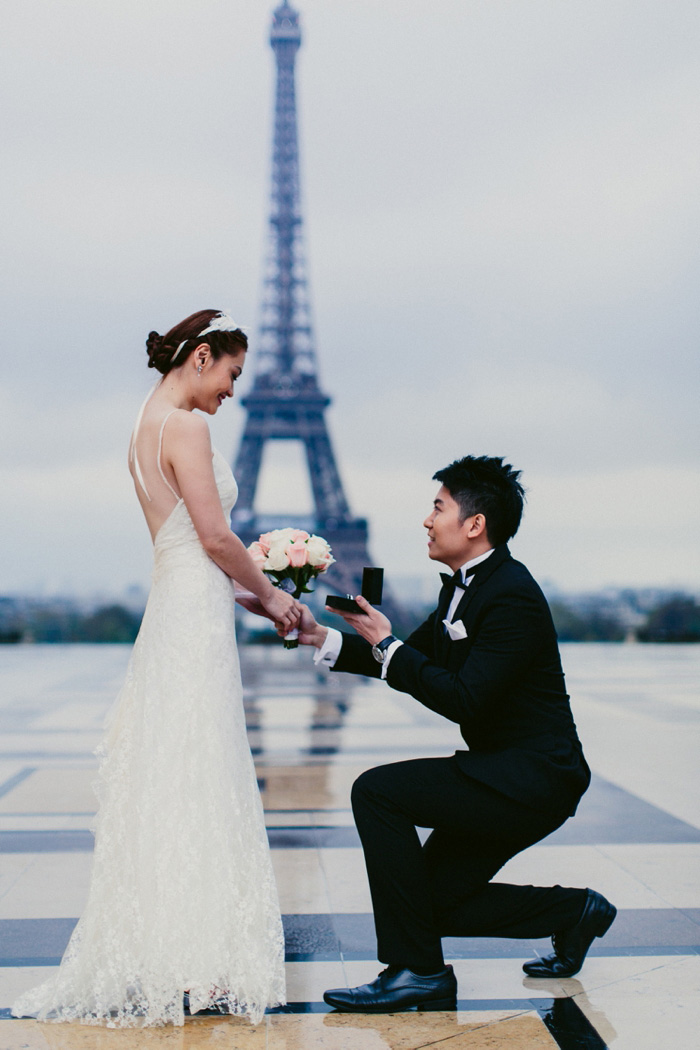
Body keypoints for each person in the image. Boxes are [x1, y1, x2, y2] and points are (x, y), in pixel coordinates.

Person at [12, 309, 300, 1028]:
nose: (232, 392)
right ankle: (199, 958)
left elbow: (183, 545)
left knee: (173, 776)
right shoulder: (190, 427)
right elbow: (213, 534)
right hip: (195, 619)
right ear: (202, 356)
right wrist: (271, 596)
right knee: (202, 773)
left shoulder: (145, 422)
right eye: (231, 374)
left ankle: (167, 953)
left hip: (173, 606)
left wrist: (251, 592)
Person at [294, 455, 616, 1013]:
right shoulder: (463, 588)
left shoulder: (511, 593)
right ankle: (574, 912)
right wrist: (317, 636)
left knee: (376, 792)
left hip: (534, 777)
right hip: (502, 772)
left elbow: (461, 694)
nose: (426, 520)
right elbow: (405, 660)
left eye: (437, 507)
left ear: (475, 524)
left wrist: (390, 646)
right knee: (429, 905)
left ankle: (417, 972)